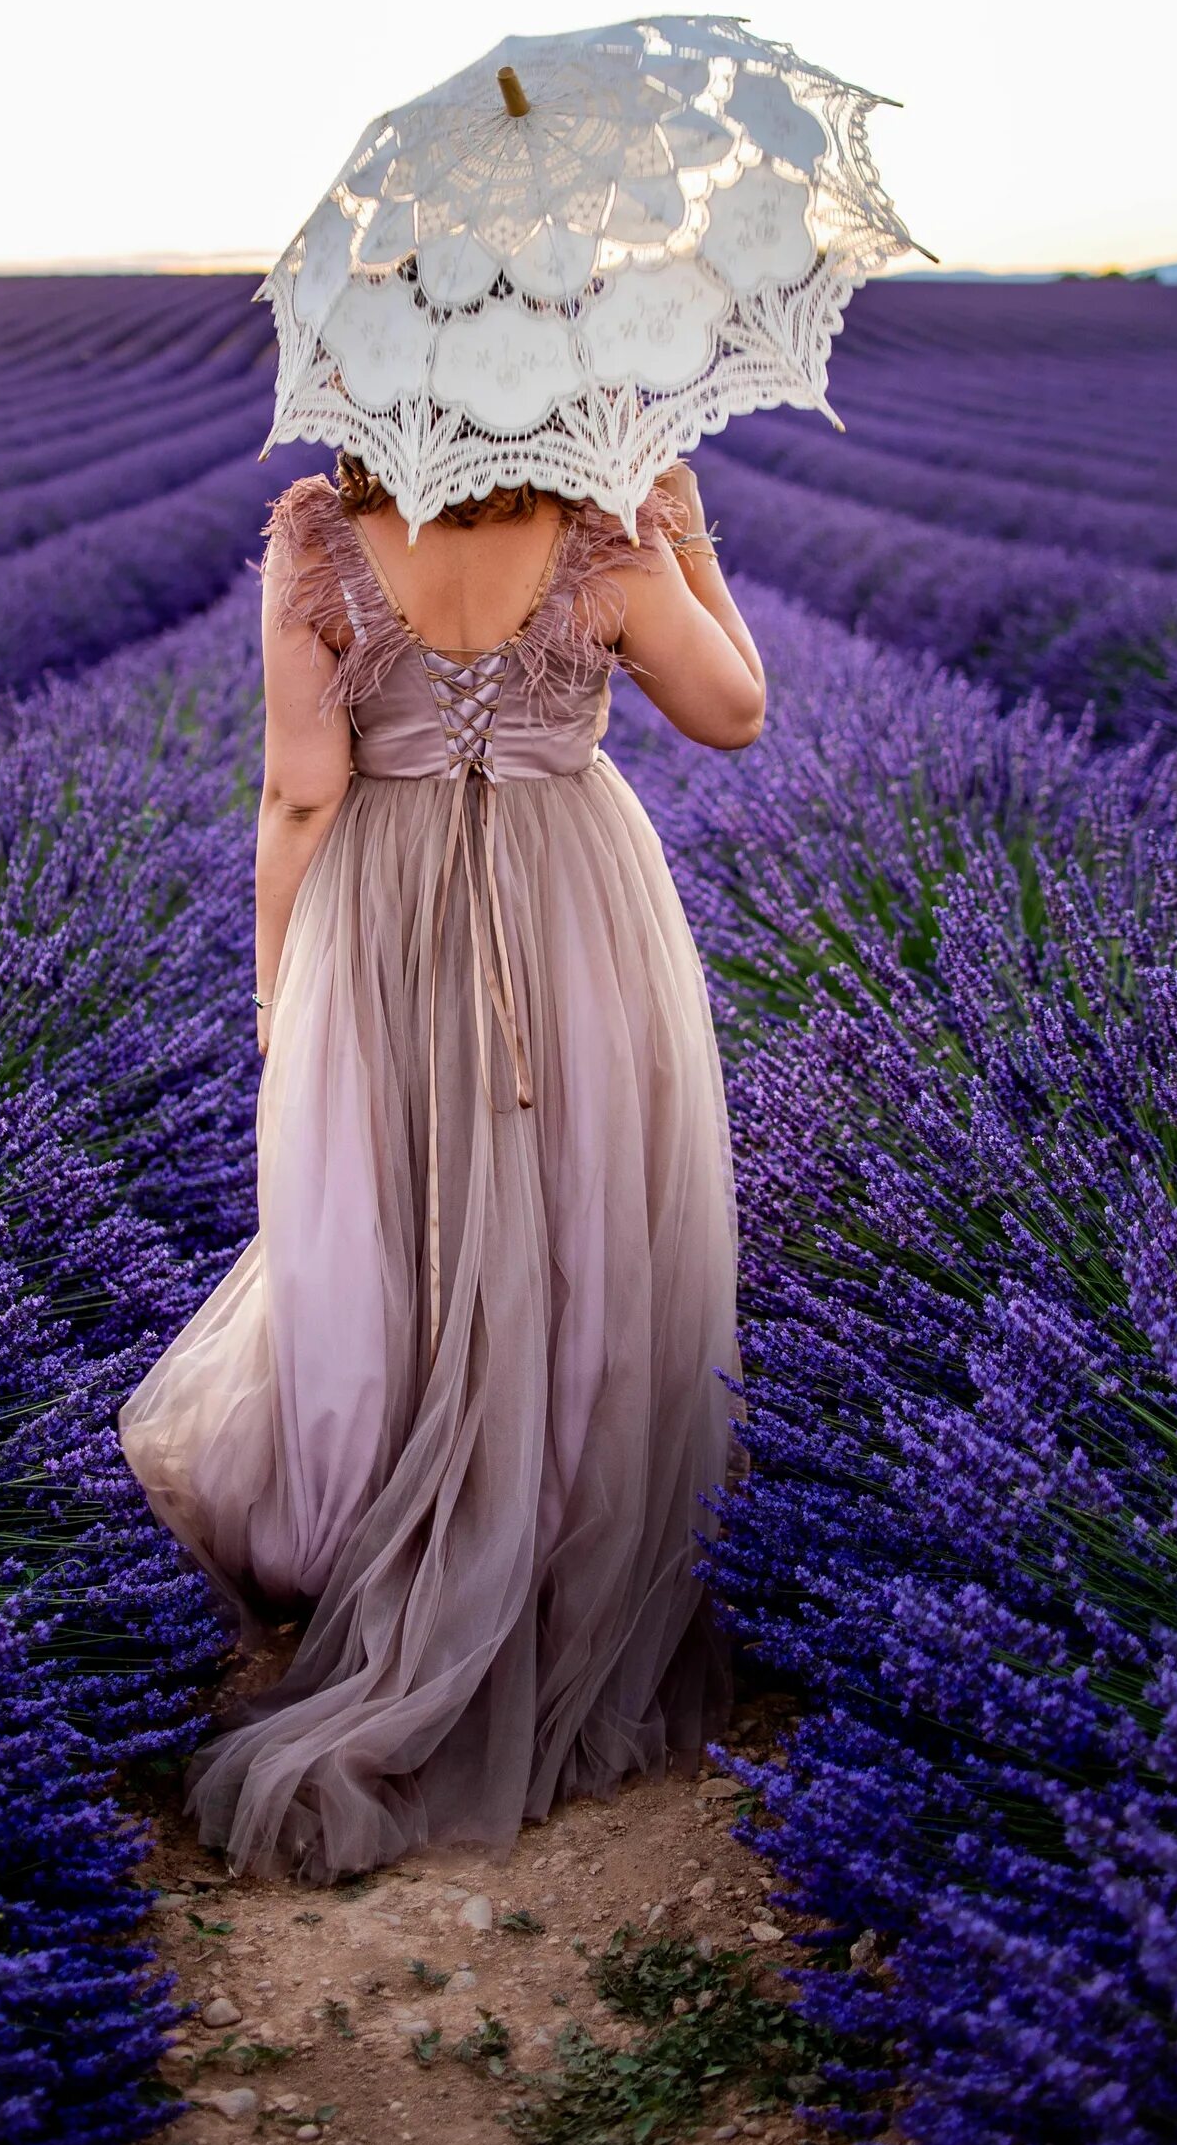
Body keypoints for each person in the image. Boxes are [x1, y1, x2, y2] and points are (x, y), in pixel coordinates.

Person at [118, 451, 766, 1878]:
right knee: (576, 1221)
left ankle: (403, 1547)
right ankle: (548, 1562)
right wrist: (686, 531)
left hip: (385, 911)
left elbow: (300, 792)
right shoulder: (607, 539)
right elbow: (735, 711)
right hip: (575, 911)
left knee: (404, 1222)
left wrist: (283, 992)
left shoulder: (319, 543)